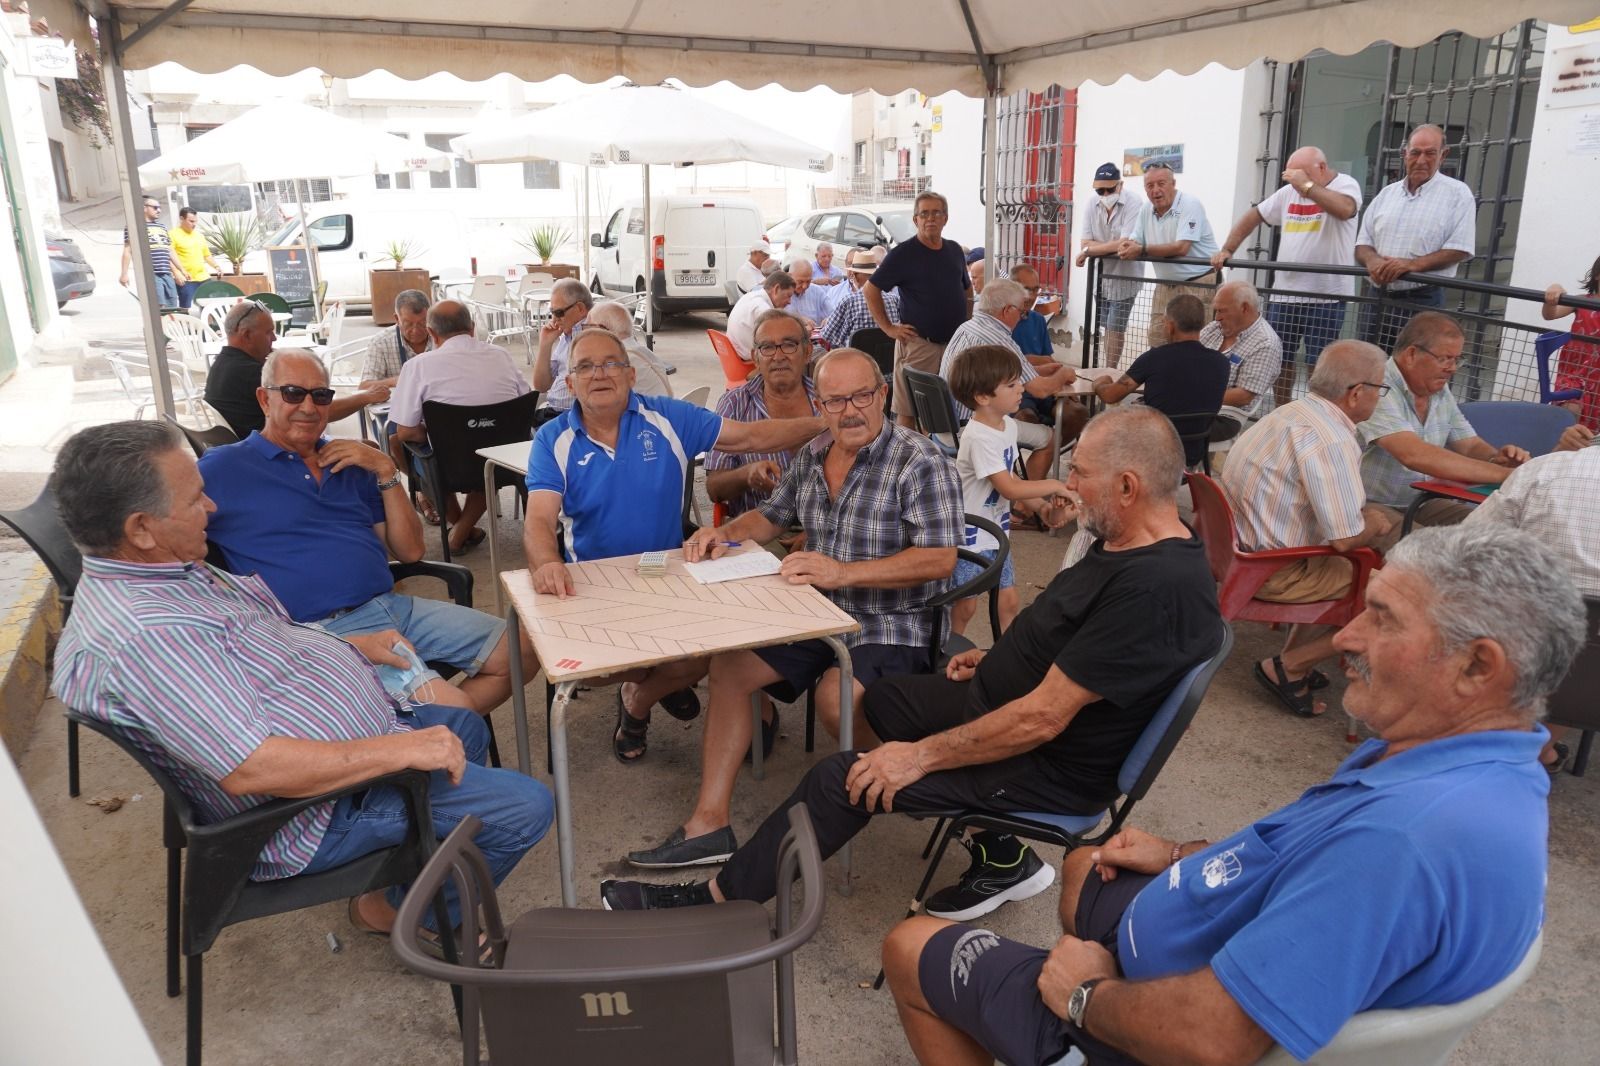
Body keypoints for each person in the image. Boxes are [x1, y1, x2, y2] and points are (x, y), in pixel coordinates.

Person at [883, 521, 1582, 1066]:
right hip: (1214, 939)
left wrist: (1087, 996)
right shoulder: (1474, 766)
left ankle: (1074, 1040)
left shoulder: (1401, 841)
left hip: (1183, 1025)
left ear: (1477, 667)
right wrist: (1180, 856)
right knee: (1084, 861)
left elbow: (1215, 1041)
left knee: (911, 945)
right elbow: (1313, 868)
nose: (1346, 635)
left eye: (1383, 617)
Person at [604, 408, 1223, 921]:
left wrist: (917, 757)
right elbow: (1081, 651)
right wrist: (997, 658)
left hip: (1045, 763)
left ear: (1127, 487)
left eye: (1081, 473)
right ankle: (1001, 854)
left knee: (843, 777)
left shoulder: (1154, 588)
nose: (1068, 483)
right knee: (885, 700)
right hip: (1004, 703)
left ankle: (713, 904)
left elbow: (1042, 719)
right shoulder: (1128, 547)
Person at [49, 421, 554, 942]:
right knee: (526, 807)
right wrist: (401, 751)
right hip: (315, 812)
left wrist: (352, 647)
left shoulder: (167, 570)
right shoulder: (148, 635)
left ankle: (416, 862)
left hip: (350, 749)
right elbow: (253, 768)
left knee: (462, 730)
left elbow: (262, 641)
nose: (212, 508)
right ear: (140, 529)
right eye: (196, 499)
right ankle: (406, 913)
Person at [610, 348, 962, 870]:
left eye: (862, 396)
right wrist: (723, 534)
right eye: (836, 400)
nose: (850, 411)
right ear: (820, 405)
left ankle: (915, 773)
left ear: (883, 394)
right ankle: (709, 826)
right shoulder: (816, 453)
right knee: (730, 667)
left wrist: (843, 573)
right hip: (814, 608)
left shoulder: (921, 460)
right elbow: (772, 517)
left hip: (892, 620)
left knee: (835, 700)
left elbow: (940, 559)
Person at [523, 328, 828, 762]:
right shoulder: (552, 439)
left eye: (611, 363)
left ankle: (638, 700)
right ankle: (653, 678)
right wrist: (546, 563)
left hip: (663, 570)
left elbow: (750, 437)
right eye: (585, 367)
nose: (599, 374)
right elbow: (538, 520)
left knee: (700, 656)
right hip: (593, 579)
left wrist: (828, 420)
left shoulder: (666, 417)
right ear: (570, 383)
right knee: (597, 666)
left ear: (631, 375)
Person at [200, 347, 533, 719]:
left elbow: (410, 551)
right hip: (319, 634)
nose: (309, 407)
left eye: (321, 395)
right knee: (451, 712)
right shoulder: (224, 469)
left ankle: (407, 737)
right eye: (293, 393)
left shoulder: (352, 462)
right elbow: (166, 539)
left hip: (391, 608)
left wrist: (386, 469)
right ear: (265, 399)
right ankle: (422, 735)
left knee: (521, 651)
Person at [1220, 341, 1394, 717]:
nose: (1380, 398)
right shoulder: (1331, 438)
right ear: (1356, 393)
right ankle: (1290, 664)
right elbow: (1345, 538)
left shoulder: (1289, 413)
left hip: (1238, 554)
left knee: (1345, 565)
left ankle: (1293, 661)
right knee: (1396, 600)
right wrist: (1375, 523)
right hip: (1274, 571)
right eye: (1381, 388)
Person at [1465, 441, 1600, 773]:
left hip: (1511, 650)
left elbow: (1464, 549)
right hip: (1589, 680)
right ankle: (1535, 748)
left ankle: (1521, 745)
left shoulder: (1544, 470)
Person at [1359, 311, 1528, 550]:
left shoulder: (1436, 386)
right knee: (1433, 554)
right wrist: (1507, 474)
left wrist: (1496, 458)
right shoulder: (1378, 386)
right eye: (1445, 359)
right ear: (1411, 354)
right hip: (1369, 505)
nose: (1453, 368)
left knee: (1500, 533)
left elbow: (1469, 443)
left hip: (1422, 501)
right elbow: (1414, 455)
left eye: (1457, 359)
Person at [1211, 146, 1363, 405]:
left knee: (1319, 364)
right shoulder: (1288, 192)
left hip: (1326, 296)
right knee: (1281, 359)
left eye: (1300, 175)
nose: (1294, 182)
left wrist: (1307, 186)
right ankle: (1282, 408)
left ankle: (1315, 414)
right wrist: (1227, 249)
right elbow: (1253, 216)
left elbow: (1345, 209)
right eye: (1291, 176)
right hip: (1285, 294)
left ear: (1321, 168)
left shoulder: (1345, 185)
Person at [947, 345, 1076, 636]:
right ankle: (947, 650)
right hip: (969, 538)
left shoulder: (1007, 426)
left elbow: (1010, 480)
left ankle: (1007, 655)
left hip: (996, 533)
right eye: (1011, 384)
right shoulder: (978, 437)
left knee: (1008, 601)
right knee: (965, 606)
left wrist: (1042, 507)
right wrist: (1056, 484)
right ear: (982, 397)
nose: (1021, 388)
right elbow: (1009, 487)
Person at [390, 300, 531, 555]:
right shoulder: (501, 356)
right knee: (481, 447)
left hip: (448, 466)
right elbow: (524, 404)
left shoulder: (417, 366)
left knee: (412, 448)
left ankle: (457, 531)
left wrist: (438, 432)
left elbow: (406, 432)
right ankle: (463, 529)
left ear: (431, 333)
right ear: (472, 328)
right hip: (503, 462)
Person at [940, 280, 1081, 482]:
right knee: (1050, 438)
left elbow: (992, 374)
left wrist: (1036, 370)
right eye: (1021, 312)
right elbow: (1041, 390)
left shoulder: (967, 326)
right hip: (970, 426)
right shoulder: (998, 338)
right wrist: (1064, 374)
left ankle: (1021, 488)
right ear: (1007, 310)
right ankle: (1027, 499)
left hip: (944, 424)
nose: (1023, 317)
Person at [1355, 124, 1477, 349]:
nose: (1421, 160)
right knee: (1369, 363)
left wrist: (1411, 265)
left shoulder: (1458, 194)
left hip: (1422, 299)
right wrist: (1372, 261)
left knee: (1416, 363)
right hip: (1377, 296)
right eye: (1415, 153)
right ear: (1405, 154)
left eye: (1430, 153)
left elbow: (1460, 248)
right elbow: (1362, 244)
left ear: (1443, 155)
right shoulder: (1387, 194)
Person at [866, 191, 973, 428]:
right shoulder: (903, 254)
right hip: (919, 346)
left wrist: (967, 320)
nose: (930, 218)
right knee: (908, 409)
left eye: (936, 213)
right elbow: (870, 289)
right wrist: (888, 328)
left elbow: (967, 288)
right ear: (916, 220)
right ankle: (907, 452)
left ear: (945, 218)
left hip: (954, 345)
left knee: (948, 409)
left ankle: (936, 451)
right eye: (924, 214)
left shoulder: (954, 250)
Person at [705, 310, 818, 520]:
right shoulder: (735, 404)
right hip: (758, 525)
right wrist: (746, 475)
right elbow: (714, 489)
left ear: (807, 352)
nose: (778, 356)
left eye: (789, 345)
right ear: (755, 357)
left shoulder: (828, 401)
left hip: (824, 526)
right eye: (767, 347)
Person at [1093, 294, 1229, 468]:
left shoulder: (1154, 358)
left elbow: (1110, 396)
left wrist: (1099, 383)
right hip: (1192, 454)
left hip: (1153, 453)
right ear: (1202, 324)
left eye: (1164, 322)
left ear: (1170, 326)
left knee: (1091, 440)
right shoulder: (1221, 363)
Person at [1116, 164, 1219, 349]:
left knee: (1197, 343)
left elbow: (1181, 248)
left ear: (1173, 183)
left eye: (1161, 183)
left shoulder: (1190, 204)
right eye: (1150, 186)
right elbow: (1135, 240)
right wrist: (1128, 245)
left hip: (1199, 284)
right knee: (1158, 339)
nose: (1155, 190)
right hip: (1165, 284)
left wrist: (1141, 249)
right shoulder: (1146, 209)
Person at [1076, 163, 1145, 370]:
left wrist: (1090, 250)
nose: (1105, 194)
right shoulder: (1091, 204)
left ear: (1120, 185)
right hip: (1101, 278)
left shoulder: (1134, 202)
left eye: (1109, 189)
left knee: (1115, 328)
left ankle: (1110, 370)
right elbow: (1084, 242)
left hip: (1125, 278)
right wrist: (1094, 248)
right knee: (1106, 326)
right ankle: (1105, 370)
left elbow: (1125, 244)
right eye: (1100, 190)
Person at [1198, 280, 1283, 438]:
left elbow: (1243, 396)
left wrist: (1192, 396)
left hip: (1224, 416)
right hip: (1194, 407)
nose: (1217, 317)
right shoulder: (1214, 328)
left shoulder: (1265, 343)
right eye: (1216, 311)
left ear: (1244, 308)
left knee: (1161, 424)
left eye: (1222, 311)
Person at [1540, 252, 1600, 430]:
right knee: (1570, 410)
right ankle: (1557, 443)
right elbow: (1549, 315)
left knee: (1590, 432)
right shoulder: (1581, 301)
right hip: (1575, 374)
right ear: (1597, 275)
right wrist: (1554, 291)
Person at [531, 277, 594, 425]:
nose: (554, 319)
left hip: (570, 417)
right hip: (553, 413)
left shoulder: (587, 332)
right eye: (552, 312)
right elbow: (541, 385)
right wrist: (545, 344)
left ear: (580, 308)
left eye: (559, 312)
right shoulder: (567, 335)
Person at [585, 299, 674, 397]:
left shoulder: (618, 360)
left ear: (602, 329)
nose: (584, 334)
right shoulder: (639, 350)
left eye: (587, 328)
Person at [820, 246, 899, 351]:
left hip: (854, 358)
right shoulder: (894, 299)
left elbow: (826, 336)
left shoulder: (849, 301)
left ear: (854, 276)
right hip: (887, 358)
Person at [360, 288, 435, 393]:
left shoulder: (441, 337)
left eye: (422, 323)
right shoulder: (380, 343)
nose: (415, 330)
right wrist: (397, 381)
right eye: (408, 324)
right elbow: (364, 386)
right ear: (397, 319)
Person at [119, 197, 186, 308]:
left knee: (172, 306)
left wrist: (181, 269)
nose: (158, 210)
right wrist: (124, 274)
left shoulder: (162, 227)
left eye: (159, 208)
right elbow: (128, 250)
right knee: (158, 307)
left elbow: (169, 250)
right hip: (151, 274)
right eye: (155, 208)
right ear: (144, 208)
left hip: (166, 273)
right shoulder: (134, 226)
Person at [727, 271, 797, 360]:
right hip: (747, 357)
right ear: (776, 289)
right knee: (795, 351)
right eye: (788, 296)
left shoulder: (750, 296)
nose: (789, 301)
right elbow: (781, 336)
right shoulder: (762, 308)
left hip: (735, 354)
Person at [169, 207, 223, 309]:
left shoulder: (199, 236)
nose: (194, 224)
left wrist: (216, 266)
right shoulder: (173, 234)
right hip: (186, 279)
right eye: (191, 221)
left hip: (204, 278)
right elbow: (169, 256)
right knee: (187, 308)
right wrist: (176, 273)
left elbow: (207, 255)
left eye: (195, 221)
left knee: (208, 306)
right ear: (182, 219)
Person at [784, 259, 832, 326]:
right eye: (800, 282)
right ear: (789, 276)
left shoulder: (817, 292)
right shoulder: (781, 294)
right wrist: (798, 319)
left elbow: (833, 314)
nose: (804, 286)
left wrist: (829, 319)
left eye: (808, 281)